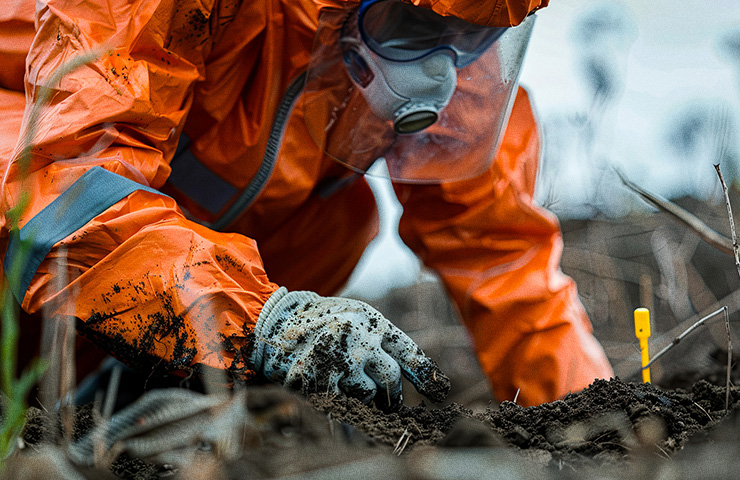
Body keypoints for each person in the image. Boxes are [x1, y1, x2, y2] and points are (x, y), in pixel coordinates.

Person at [0, 0, 614, 409]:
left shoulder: (455, 48)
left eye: (477, 39)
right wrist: (259, 321)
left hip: (132, 310)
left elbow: (502, 257)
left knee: (342, 221)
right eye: (415, 30)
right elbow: (62, 185)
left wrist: (597, 411)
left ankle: (120, 408)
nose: (443, 77)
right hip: (33, 179)